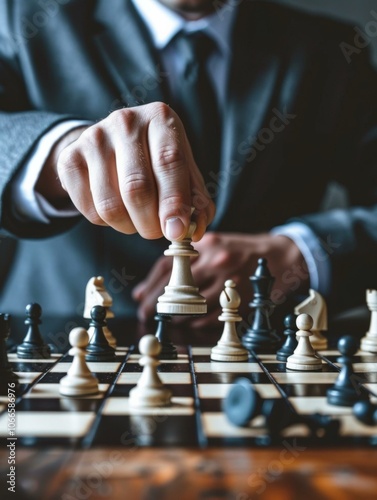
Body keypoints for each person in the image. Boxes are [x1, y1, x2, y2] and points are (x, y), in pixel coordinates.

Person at [0, 0, 376, 334]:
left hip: (266, 348)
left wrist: (301, 254)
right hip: (57, 334)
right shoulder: (19, 17)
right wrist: (62, 152)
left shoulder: (329, 49)